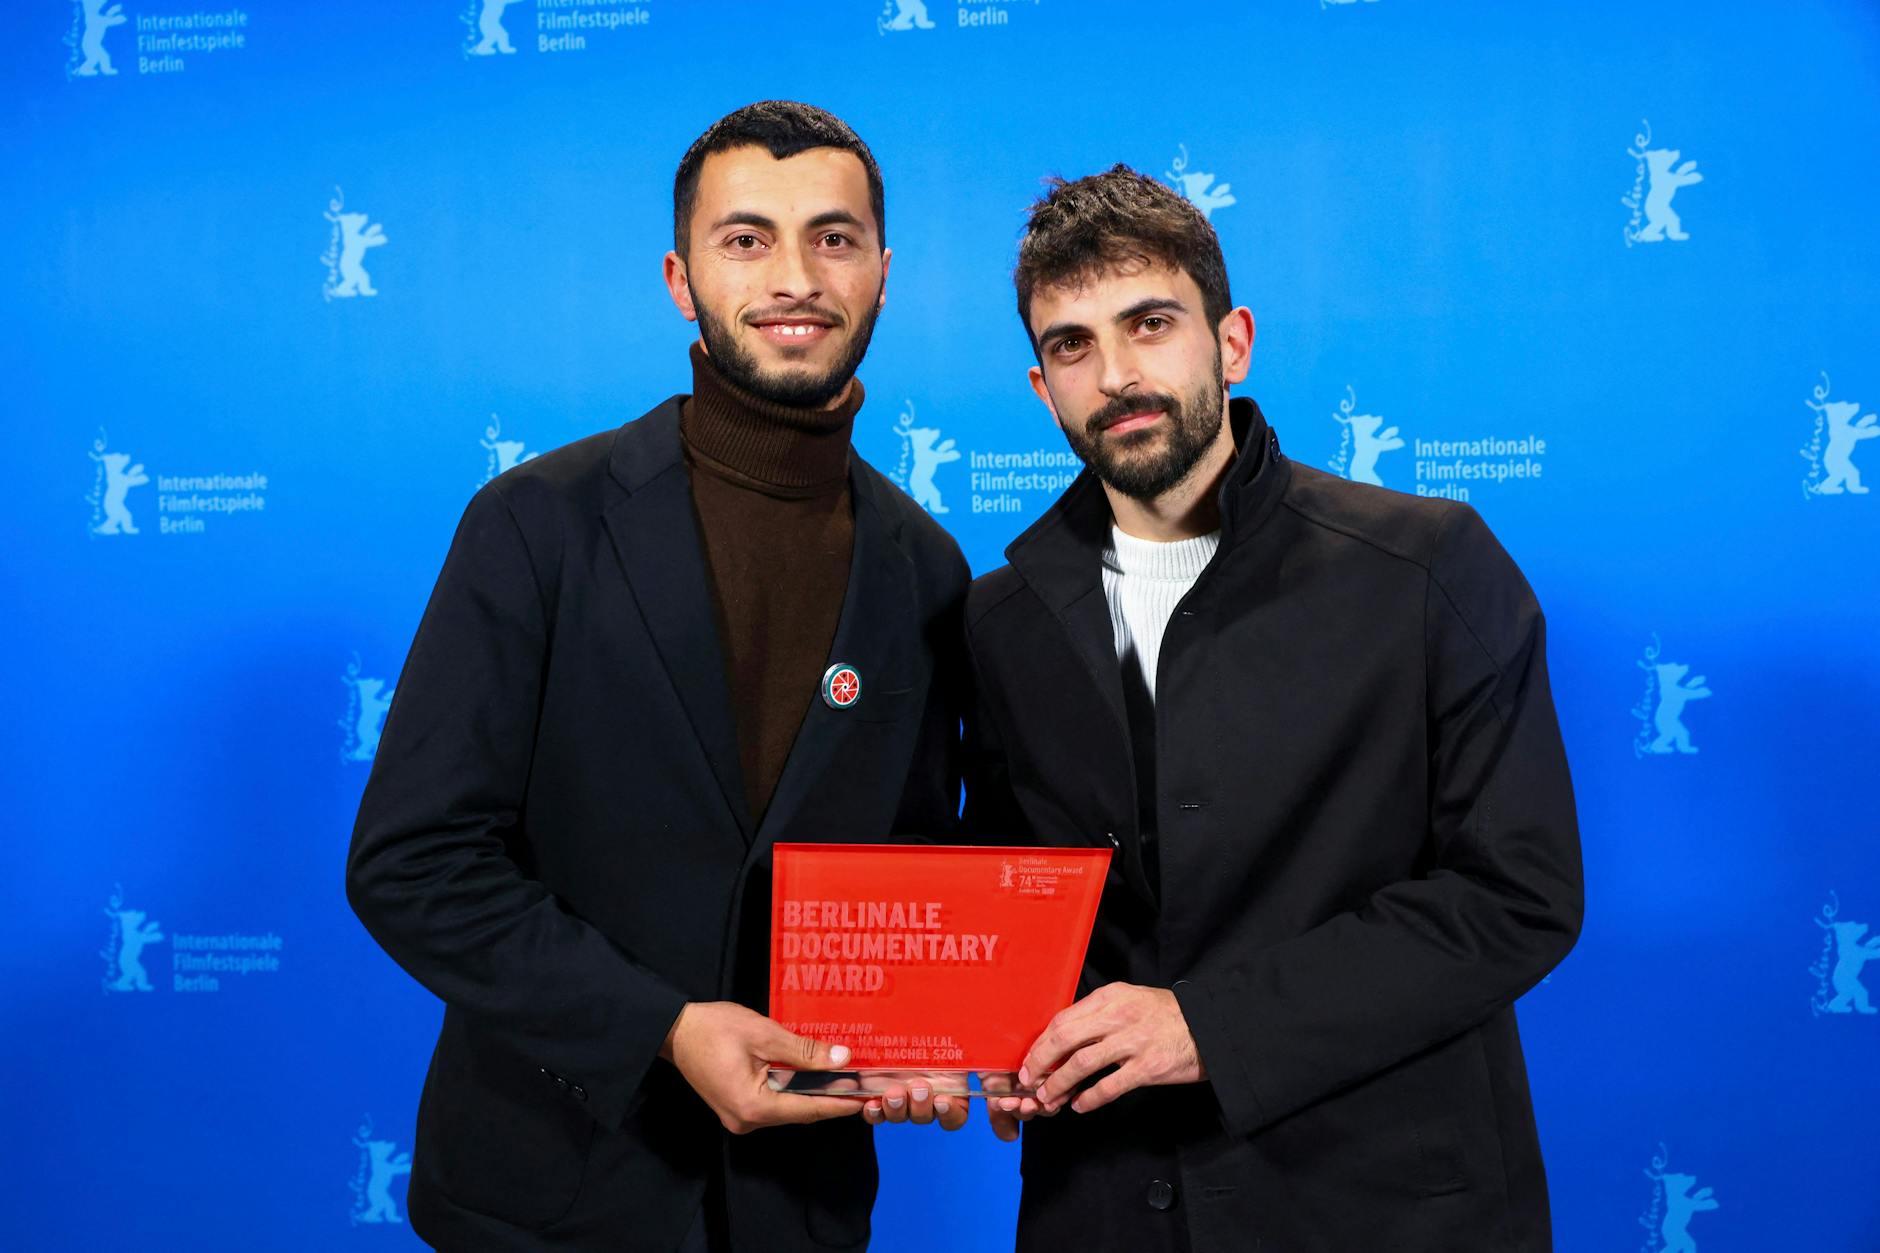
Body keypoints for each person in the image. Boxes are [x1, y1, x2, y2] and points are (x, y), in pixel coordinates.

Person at [347, 101, 972, 1253]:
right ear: (682, 278)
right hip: (547, 1198)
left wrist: (917, 1027)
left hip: (799, 1203)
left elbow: (909, 875)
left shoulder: (926, 568)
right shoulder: (535, 522)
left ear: (882, 274)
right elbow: (413, 862)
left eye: (831, 239)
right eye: (747, 239)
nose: (794, 276)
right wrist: (663, 1028)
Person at [964, 165, 1584, 1251]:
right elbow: (1000, 892)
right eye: (1071, 345)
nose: (1114, 373)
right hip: (1104, 1207)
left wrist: (1206, 1022)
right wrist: (1001, 1031)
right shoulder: (996, 617)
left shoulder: (1426, 566)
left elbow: (1516, 894)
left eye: (1148, 322)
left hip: (1381, 1207)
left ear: (1231, 339)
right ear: (1039, 388)